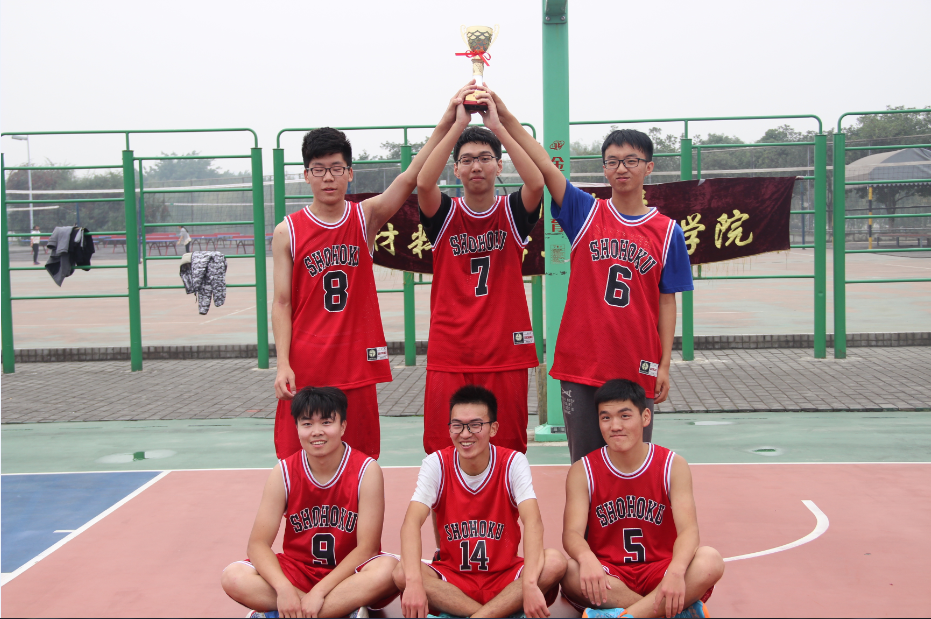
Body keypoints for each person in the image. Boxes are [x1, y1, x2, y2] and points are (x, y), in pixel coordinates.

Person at [271, 83, 478, 461]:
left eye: (337, 168)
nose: (328, 177)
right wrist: (283, 362)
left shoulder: (364, 217)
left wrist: (451, 121)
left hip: (356, 363)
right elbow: (282, 303)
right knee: (297, 462)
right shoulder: (288, 232)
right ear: (306, 175)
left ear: (350, 173)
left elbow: (411, 176)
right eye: (319, 170)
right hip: (307, 363)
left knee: (361, 462)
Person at [490, 88, 694, 462]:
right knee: (584, 465)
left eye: (631, 160)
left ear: (649, 167)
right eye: (612, 161)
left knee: (631, 461)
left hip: (636, 363)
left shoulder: (667, 232)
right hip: (582, 363)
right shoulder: (586, 213)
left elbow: (667, 302)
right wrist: (501, 120)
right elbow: (544, 165)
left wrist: (664, 364)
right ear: (604, 168)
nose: (621, 168)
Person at [415, 88, 544, 456]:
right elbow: (423, 182)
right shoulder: (444, 215)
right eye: (467, 160)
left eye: (486, 159)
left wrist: (497, 125)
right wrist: (455, 126)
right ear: (455, 168)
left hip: (505, 349)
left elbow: (536, 182)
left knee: (507, 447)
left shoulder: (512, 212)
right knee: (444, 449)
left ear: (499, 166)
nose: (476, 167)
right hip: (452, 349)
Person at [220, 386, 399, 618]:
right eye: (307, 424)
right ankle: (337, 611)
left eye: (326, 422)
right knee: (233, 577)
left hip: (347, 574)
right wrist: (283, 588)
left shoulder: (367, 470)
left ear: (342, 426)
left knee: (389, 570)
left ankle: (284, 613)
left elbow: (368, 548)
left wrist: (320, 592)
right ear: (297, 428)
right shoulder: (284, 472)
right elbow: (257, 545)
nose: (316, 432)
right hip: (298, 572)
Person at [393, 385, 566, 618]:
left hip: (504, 576)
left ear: (493, 428)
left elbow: (533, 521)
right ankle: (494, 613)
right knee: (402, 573)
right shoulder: (436, 464)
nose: (465, 434)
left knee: (555, 562)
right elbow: (411, 523)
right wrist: (414, 582)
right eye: (457, 425)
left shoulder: (512, 462)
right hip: (453, 578)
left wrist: (529, 582)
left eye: (475, 425)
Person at [561, 379, 723, 618]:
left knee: (710, 560)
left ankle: (623, 615)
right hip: (610, 573)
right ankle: (669, 610)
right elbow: (572, 533)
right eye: (606, 418)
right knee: (568, 570)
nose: (615, 426)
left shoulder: (672, 465)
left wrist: (677, 571)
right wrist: (586, 558)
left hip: (661, 570)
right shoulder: (582, 470)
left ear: (645, 417)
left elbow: (689, 531)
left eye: (625, 416)